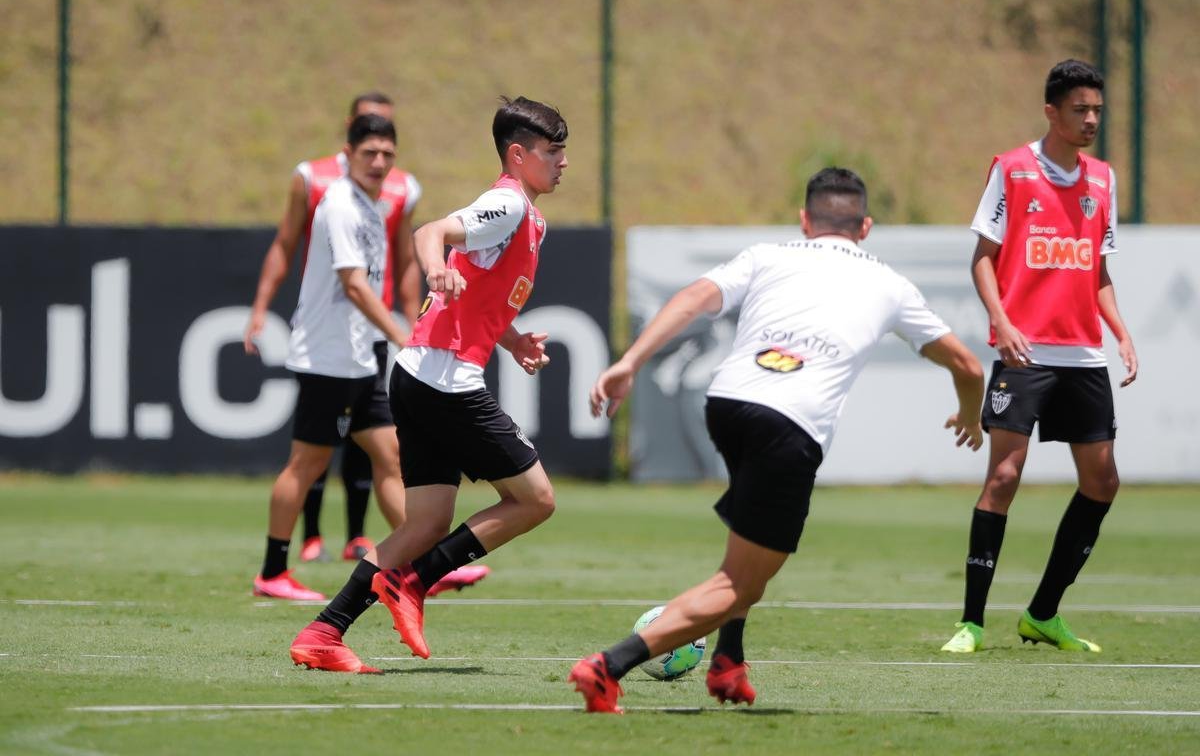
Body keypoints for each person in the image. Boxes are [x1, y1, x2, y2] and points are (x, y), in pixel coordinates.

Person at [568, 167, 985, 713]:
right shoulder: (889, 283)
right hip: (789, 425)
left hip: (728, 405)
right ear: (865, 227)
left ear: (805, 220)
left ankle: (727, 661)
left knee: (747, 563)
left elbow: (694, 296)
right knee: (736, 585)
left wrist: (629, 362)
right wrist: (970, 415)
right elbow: (969, 365)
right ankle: (607, 667)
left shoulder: (768, 254)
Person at [288, 96, 569, 673]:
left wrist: (511, 340)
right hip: (444, 379)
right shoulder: (508, 204)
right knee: (535, 499)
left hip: (418, 373)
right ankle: (413, 583)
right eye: (553, 151)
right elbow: (431, 229)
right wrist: (435, 262)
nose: (563, 162)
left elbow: (480, 286)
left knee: (425, 523)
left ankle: (324, 633)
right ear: (519, 156)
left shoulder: (524, 212)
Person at [940, 59, 1138, 654]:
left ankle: (1043, 614)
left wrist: (1121, 332)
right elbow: (983, 255)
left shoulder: (1103, 179)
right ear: (1051, 111)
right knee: (1004, 475)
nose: (1091, 120)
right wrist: (999, 321)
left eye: (1097, 110)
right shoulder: (1013, 169)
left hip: (1082, 353)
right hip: (1025, 352)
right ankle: (971, 622)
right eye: (1080, 109)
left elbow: (1097, 269)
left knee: (1102, 481)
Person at [244, 92, 420, 565]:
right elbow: (356, 287)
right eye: (369, 153)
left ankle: (419, 565)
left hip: (360, 354)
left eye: (387, 154)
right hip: (330, 355)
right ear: (347, 154)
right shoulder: (340, 203)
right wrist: (405, 334)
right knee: (308, 464)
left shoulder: (372, 205)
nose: (379, 163)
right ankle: (275, 569)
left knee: (390, 458)